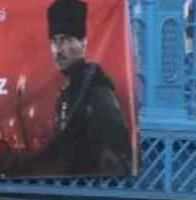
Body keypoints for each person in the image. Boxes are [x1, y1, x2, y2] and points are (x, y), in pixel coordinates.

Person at [44, 0, 134, 175]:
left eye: (66, 39)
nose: (58, 50)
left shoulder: (97, 90)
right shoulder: (69, 90)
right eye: (54, 41)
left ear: (83, 44)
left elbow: (114, 146)